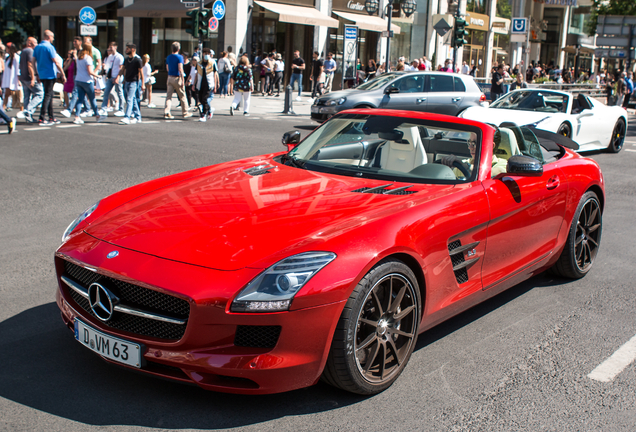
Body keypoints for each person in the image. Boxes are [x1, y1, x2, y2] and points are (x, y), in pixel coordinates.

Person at [441, 130, 507, 179]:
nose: (470, 147)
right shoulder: (462, 164)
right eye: (469, 142)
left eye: (475, 143)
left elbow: (494, 172)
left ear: (491, 146)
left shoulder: (504, 164)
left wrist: (467, 167)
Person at [33, 30, 66, 126]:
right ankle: (42, 117)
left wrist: (36, 73)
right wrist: (62, 73)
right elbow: (56, 61)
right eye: (52, 37)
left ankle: (52, 117)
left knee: (50, 94)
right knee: (47, 95)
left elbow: (33, 60)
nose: (53, 39)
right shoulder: (50, 47)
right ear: (49, 37)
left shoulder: (38, 47)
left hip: (42, 74)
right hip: (50, 74)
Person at [71, 43, 107, 124]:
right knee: (92, 99)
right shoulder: (88, 58)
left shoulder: (79, 57)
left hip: (78, 80)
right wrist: (97, 75)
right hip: (87, 81)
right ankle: (97, 115)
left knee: (80, 99)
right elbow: (90, 72)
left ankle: (77, 117)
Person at [117, 43, 144, 125]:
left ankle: (127, 117)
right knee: (133, 99)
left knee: (129, 99)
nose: (126, 50)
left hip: (134, 82)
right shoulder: (126, 59)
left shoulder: (137, 60)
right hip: (127, 81)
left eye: (127, 48)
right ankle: (138, 116)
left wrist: (142, 84)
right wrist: (119, 77)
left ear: (132, 49)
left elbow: (141, 73)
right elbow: (123, 69)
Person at [164, 42, 191, 119]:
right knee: (182, 95)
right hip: (177, 77)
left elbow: (167, 68)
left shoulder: (168, 57)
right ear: (179, 49)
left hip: (170, 77)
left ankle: (167, 112)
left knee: (169, 96)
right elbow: (180, 69)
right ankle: (185, 112)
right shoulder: (180, 57)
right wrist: (183, 79)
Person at [18, 37, 43, 123]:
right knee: (40, 94)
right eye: (35, 43)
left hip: (24, 77)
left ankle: (28, 117)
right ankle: (28, 110)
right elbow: (30, 64)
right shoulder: (30, 51)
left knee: (27, 97)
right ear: (29, 43)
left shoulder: (23, 51)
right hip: (29, 77)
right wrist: (33, 78)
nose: (36, 44)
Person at [99, 42, 126, 116]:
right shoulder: (110, 57)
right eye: (109, 47)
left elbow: (121, 68)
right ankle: (104, 108)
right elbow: (108, 66)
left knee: (120, 93)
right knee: (106, 92)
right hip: (110, 77)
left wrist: (118, 77)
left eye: (111, 47)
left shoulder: (119, 57)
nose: (110, 49)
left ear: (115, 47)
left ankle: (121, 109)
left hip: (117, 77)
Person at [195, 47, 218, 122]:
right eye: (205, 54)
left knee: (205, 99)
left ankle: (203, 115)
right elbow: (196, 73)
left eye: (208, 54)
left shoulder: (212, 63)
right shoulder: (199, 63)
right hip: (200, 83)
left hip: (209, 84)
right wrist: (194, 84)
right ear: (203, 54)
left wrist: (215, 84)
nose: (206, 55)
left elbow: (215, 74)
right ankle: (210, 110)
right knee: (201, 100)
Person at [2, 43, 22, 112]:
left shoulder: (16, 57)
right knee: (6, 95)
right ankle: (2, 109)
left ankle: (22, 111)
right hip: (8, 80)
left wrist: (18, 80)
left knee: (18, 96)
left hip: (14, 79)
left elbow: (18, 68)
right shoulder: (8, 57)